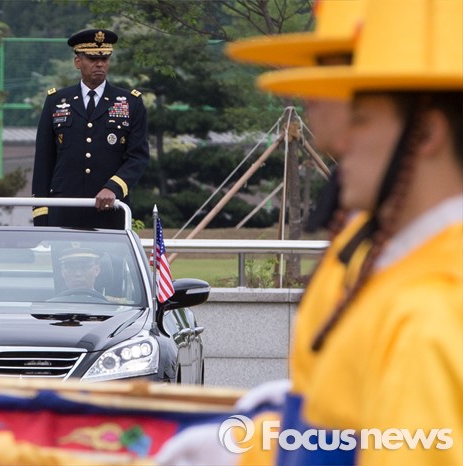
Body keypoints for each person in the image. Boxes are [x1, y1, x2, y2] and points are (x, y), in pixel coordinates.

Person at [158, 0, 463, 465]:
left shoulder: (431, 314)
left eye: (361, 118)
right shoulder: (394, 262)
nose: (336, 140)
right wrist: (261, 445)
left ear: (425, 135)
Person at [31, 29, 150, 229]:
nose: (100, 64)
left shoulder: (130, 102)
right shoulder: (56, 101)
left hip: (110, 210)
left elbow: (138, 156)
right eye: (93, 59)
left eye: (104, 59)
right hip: (65, 209)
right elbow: (44, 161)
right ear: (78, 62)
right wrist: (41, 213)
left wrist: (114, 187)